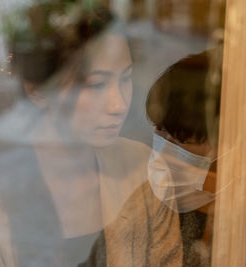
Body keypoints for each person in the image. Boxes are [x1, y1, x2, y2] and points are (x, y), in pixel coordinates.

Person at [0, 4, 150, 267]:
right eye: (97, 84)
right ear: (37, 89)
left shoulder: (141, 169)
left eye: (126, 78)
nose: (119, 105)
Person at [84, 49, 222, 266]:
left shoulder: (238, 228)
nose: (165, 149)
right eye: (160, 130)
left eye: (180, 139)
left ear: (224, 147)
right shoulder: (142, 203)